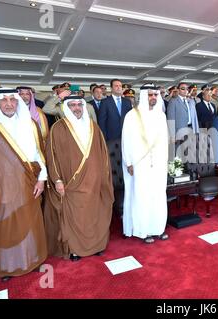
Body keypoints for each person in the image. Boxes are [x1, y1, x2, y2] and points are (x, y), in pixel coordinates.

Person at [0, 88, 47, 281]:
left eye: (12, 100)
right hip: (1, 186)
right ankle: (8, 266)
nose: (9, 104)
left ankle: (32, 259)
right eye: (4, 100)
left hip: (29, 183)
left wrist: (42, 179)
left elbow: (40, 154)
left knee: (30, 222)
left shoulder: (30, 124)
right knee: (6, 225)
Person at [44, 95, 113, 261]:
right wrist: (57, 180)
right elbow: (51, 157)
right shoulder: (58, 128)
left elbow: (103, 154)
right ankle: (75, 249)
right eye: (73, 105)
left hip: (95, 183)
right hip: (71, 184)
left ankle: (96, 245)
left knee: (94, 215)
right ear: (67, 107)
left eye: (79, 105)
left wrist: (104, 177)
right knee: (76, 217)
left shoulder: (93, 127)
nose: (77, 108)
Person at [122, 84, 169, 244]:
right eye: (150, 95)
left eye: (155, 95)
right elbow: (126, 141)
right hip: (139, 163)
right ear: (143, 96)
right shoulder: (132, 116)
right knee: (142, 195)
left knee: (157, 195)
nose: (153, 98)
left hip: (158, 163)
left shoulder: (161, 116)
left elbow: (164, 142)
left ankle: (158, 228)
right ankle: (144, 230)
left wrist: (165, 162)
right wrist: (129, 162)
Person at [98, 79, 132, 216]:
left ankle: (127, 188)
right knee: (114, 169)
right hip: (111, 142)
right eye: (116, 86)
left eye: (120, 86)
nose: (119, 88)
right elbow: (102, 123)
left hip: (126, 140)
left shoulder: (127, 102)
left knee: (127, 164)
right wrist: (105, 143)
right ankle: (115, 194)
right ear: (111, 88)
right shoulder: (105, 103)